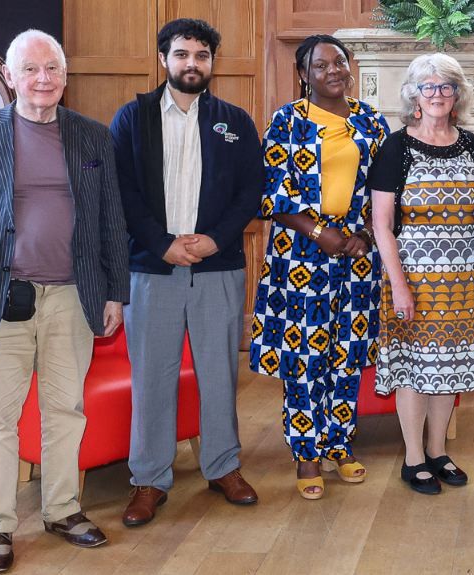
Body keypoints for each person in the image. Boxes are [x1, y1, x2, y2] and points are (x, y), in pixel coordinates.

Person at [0, 29, 127, 573]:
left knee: (66, 411)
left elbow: (111, 222)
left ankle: (63, 510)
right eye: (31, 69)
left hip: (73, 298)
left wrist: (115, 292)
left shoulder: (93, 137)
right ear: (10, 77)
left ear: (65, 76)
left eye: (53, 69)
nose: (44, 79)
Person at [110, 19, 264, 526]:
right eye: (181, 54)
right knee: (153, 377)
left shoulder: (235, 121)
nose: (191, 63)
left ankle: (223, 466)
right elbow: (122, 191)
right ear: (163, 60)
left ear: (212, 62)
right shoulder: (132, 119)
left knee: (220, 372)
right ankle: (149, 479)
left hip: (217, 266)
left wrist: (216, 238)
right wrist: (162, 244)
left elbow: (251, 190)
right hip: (152, 268)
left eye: (201, 55)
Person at [251, 35, 389, 500]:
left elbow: (387, 189)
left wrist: (365, 235)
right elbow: (273, 193)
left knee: (347, 354)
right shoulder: (287, 121)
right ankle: (307, 454)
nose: (333, 69)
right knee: (305, 356)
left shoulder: (371, 121)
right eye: (320, 64)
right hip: (300, 257)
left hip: (357, 255)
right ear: (303, 74)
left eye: (340, 61)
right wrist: (319, 233)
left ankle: (340, 443)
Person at [367, 52, 474, 496]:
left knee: (451, 368)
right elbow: (381, 224)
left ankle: (439, 451)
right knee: (416, 369)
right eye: (429, 87)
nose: (438, 95)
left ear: (457, 95)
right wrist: (398, 284)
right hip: (414, 279)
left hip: (466, 280)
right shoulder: (396, 147)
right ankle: (414, 458)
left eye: (446, 87)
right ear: (414, 95)